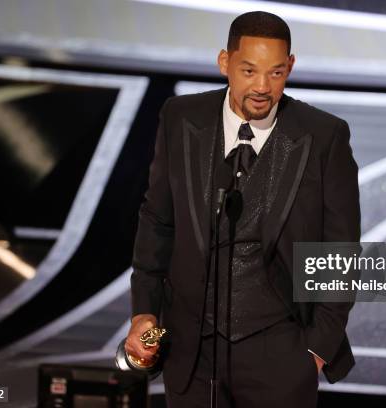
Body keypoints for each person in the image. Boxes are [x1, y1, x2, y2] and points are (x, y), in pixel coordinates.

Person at [126, 10, 361, 408]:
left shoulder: (323, 136)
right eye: (249, 71)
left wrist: (315, 350)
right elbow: (157, 221)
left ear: (290, 67)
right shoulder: (180, 118)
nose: (262, 87)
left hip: (281, 355)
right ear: (225, 63)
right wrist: (144, 314)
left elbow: (339, 250)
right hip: (190, 352)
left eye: (275, 73)